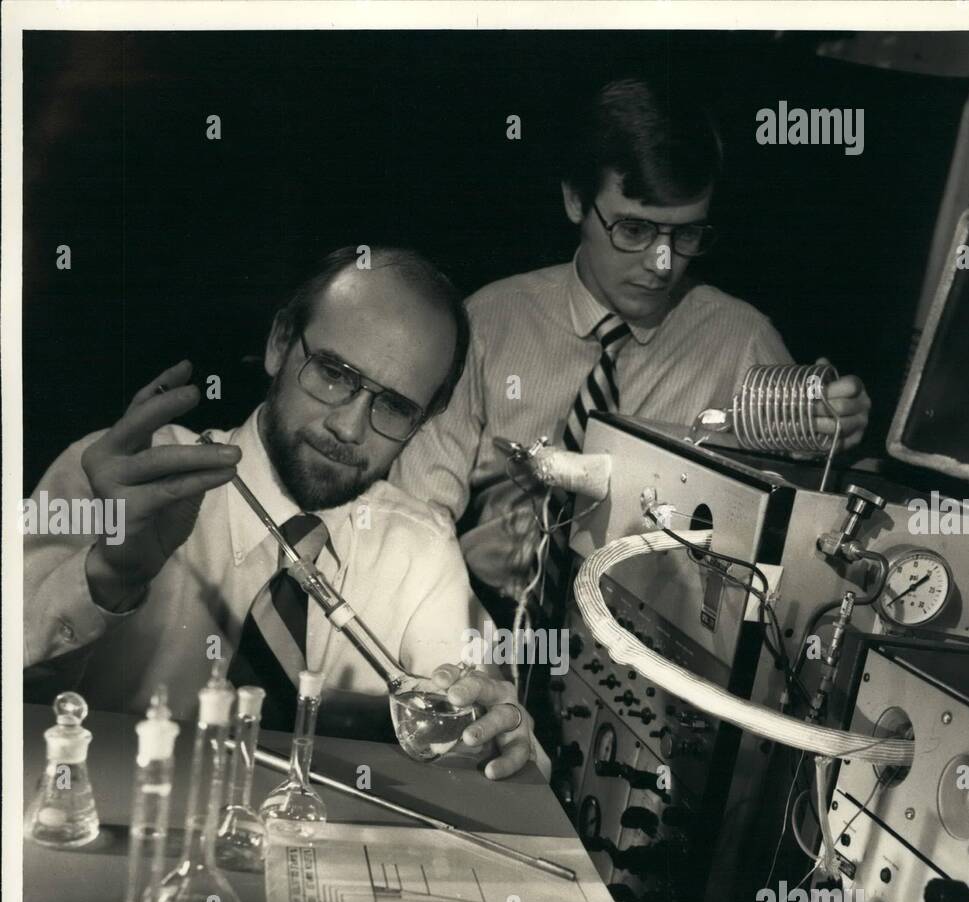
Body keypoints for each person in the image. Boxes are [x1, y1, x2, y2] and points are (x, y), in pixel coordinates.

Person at [23, 246, 536, 781]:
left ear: (425, 419)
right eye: (335, 374)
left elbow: (474, 729)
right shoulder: (122, 479)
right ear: (279, 344)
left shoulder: (422, 546)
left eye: (395, 406)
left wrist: (489, 730)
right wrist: (108, 576)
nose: (350, 428)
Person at [390, 77, 872, 608]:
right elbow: (417, 513)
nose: (662, 264)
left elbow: (795, 528)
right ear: (576, 200)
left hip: (651, 643)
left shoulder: (742, 341)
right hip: (487, 617)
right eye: (635, 231)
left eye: (685, 235)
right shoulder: (489, 321)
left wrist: (828, 431)